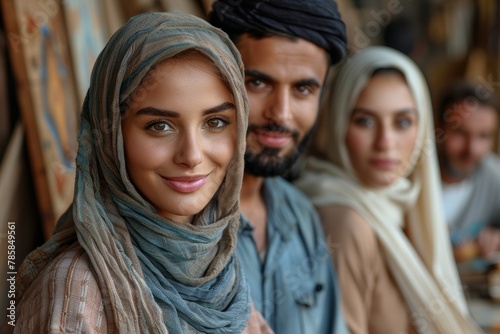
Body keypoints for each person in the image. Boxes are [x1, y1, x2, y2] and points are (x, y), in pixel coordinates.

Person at [6, 12, 272, 333]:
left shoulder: (222, 272)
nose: (191, 155)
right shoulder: (79, 294)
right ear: (111, 138)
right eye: (159, 126)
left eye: (215, 123)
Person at [296, 47, 481, 334]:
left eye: (402, 122)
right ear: (338, 124)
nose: (386, 142)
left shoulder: (403, 205)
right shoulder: (347, 223)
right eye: (365, 121)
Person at [209, 1, 348, 333]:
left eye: (303, 89)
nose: (281, 114)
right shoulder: (167, 225)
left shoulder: (300, 215)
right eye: (258, 83)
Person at [436, 81, 500, 261]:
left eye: (484, 136)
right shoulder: (410, 178)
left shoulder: (493, 176)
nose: (472, 149)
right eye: (461, 133)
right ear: (438, 128)